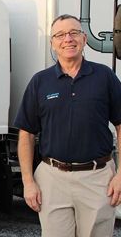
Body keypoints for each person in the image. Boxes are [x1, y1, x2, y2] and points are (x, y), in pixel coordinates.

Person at [14, 14, 121, 237]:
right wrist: (28, 181)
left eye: (73, 33)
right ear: (52, 43)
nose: (68, 39)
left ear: (83, 38)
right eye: (60, 35)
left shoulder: (105, 77)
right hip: (52, 178)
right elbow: (26, 134)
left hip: (98, 178)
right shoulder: (40, 81)